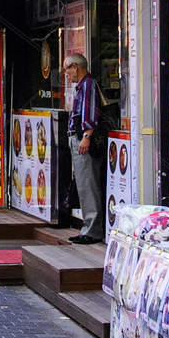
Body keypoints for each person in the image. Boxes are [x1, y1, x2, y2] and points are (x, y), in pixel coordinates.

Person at [65, 52, 106, 244]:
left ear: (75, 67)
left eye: (67, 69)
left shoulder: (88, 84)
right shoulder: (82, 86)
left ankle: (93, 230)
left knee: (88, 184)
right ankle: (87, 227)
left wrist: (87, 136)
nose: (66, 74)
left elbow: (90, 112)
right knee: (83, 183)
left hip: (83, 139)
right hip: (77, 138)